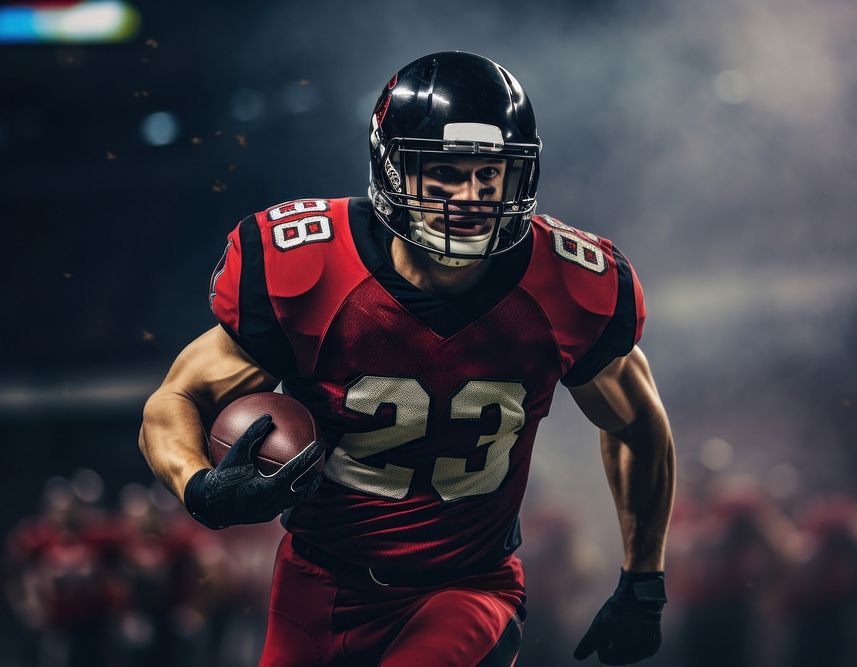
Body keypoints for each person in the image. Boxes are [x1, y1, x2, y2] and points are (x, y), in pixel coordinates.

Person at [138, 51, 675, 666]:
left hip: (465, 589)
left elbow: (638, 425)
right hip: (317, 583)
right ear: (392, 169)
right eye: (445, 171)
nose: (471, 196)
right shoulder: (310, 267)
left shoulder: (569, 283)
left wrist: (644, 582)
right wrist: (201, 486)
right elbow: (174, 400)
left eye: (490, 173)